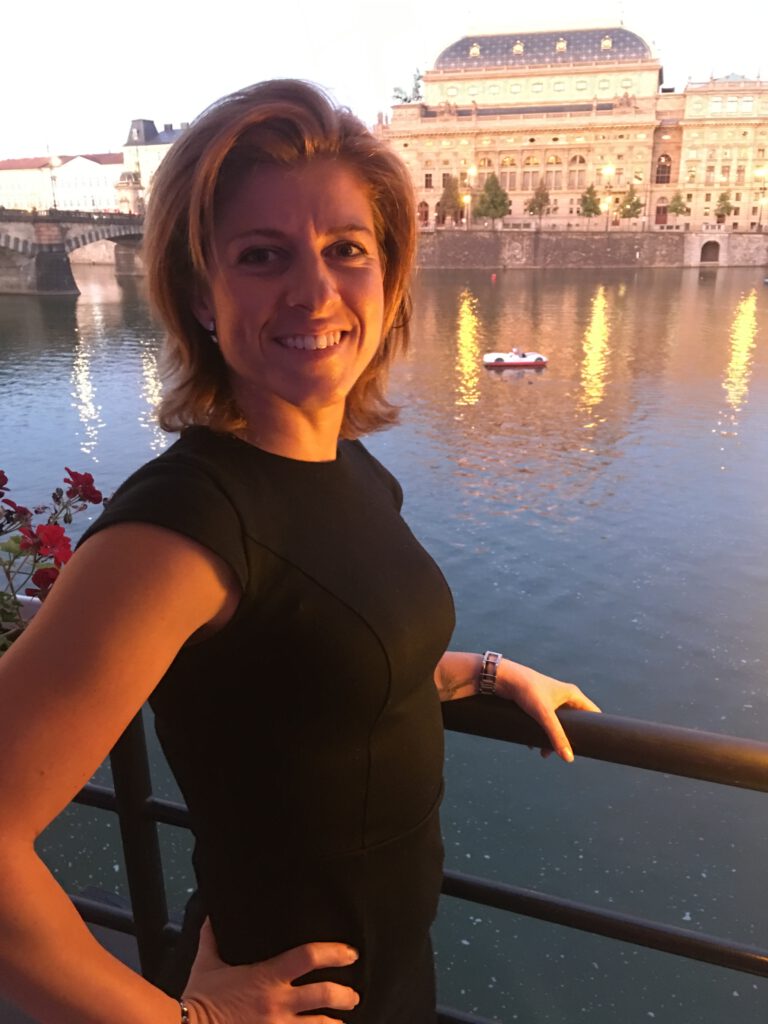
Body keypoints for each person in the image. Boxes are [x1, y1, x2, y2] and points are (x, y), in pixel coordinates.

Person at [0, 80, 600, 1024]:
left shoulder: (351, 470)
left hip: (391, 983)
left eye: (346, 249)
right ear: (199, 295)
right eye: (262, 255)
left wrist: (482, 673)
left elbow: (316, 672)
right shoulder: (178, 528)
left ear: (389, 277)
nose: (315, 291)